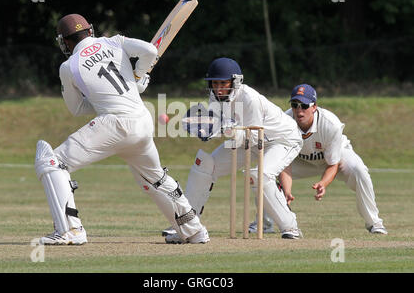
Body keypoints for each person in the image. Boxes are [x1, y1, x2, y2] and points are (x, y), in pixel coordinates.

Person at [34, 13, 209, 245]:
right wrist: (137, 78)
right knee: (154, 178)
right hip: (142, 121)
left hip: (114, 124)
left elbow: (77, 109)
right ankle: (194, 231)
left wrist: (120, 90)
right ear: (90, 31)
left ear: (65, 41)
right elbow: (151, 51)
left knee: (51, 161)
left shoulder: (69, 67)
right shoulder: (114, 41)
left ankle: (70, 230)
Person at [163, 57, 304, 241]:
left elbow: (253, 134)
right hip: (246, 140)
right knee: (205, 164)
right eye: (215, 83)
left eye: (223, 83)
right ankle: (188, 224)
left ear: (235, 82)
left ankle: (290, 227)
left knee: (259, 175)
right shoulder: (215, 97)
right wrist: (207, 129)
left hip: (281, 139)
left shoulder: (249, 98)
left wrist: (227, 130)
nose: (219, 87)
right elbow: (219, 124)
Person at [249, 84, 387, 235]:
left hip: (336, 158)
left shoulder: (330, 124)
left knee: (359, 171)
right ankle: (264, 223)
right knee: (264, 172)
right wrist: (286, 191)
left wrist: (323, 183)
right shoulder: (284, 121)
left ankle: (374, 222)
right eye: (295, 105)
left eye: (304, 105)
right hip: (300, 161)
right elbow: (284, 162)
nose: (299, 110)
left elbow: (333, 164)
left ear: (314, 107)